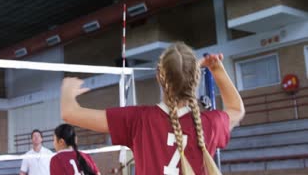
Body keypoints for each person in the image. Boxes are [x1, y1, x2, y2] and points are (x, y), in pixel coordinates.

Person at [60, 42, 245, 175]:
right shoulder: (210, 124)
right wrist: (217, 70)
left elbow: (69, 113)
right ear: (195, 79)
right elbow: (237, 109)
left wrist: (67, 91)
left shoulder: (139, 119)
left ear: (159, 77)